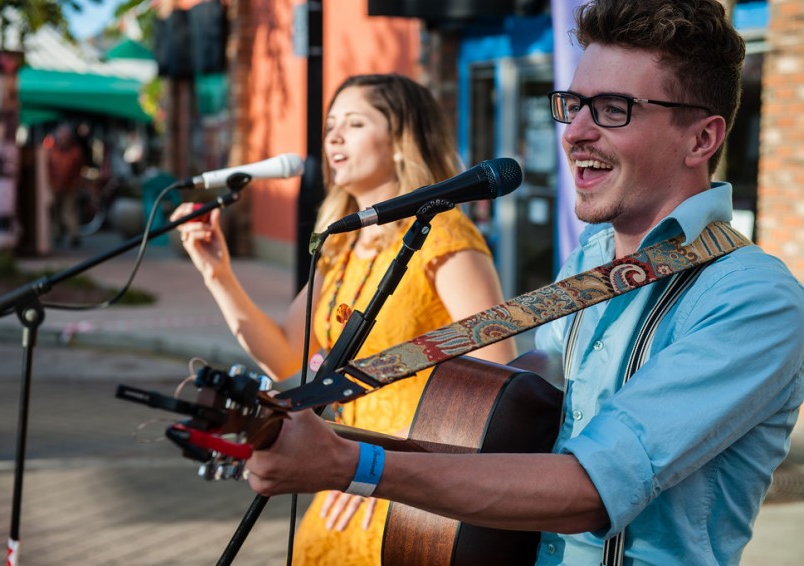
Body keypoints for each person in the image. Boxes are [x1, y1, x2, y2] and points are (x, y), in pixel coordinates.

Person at [245, 1, 804, 564]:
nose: (575, 133)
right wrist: (342, 426)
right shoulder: (588, 262)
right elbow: (536, 413)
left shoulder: (753, 299)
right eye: (574, 105)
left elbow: (593, 490)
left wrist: (356, 468)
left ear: (701, 140)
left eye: (613, 109)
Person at [171, 73, 517, 565]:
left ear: (401, 141)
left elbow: (500, 384)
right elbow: (287, 355)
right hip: (346, 478)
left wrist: (385, 471)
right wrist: (217, 274)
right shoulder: (341, 245)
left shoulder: (447, 239)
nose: (333, 136)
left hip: (410, 490)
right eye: (331, 124)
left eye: (354, 123)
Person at [47, 123, 85, 247]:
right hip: (54, 185)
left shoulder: (75, 152)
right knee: (55, 211)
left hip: (70, 186)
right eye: (62, 137)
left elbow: (79, 168)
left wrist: (77, 182)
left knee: (69, 211)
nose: (63, 140)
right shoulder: (51, 152)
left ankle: (73, 235)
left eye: (66, 137)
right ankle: (57, 233)